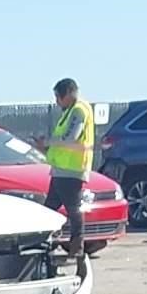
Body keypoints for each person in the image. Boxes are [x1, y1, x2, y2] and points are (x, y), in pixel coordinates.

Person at [45, 78, 95, 277]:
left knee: (73, 209)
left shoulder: (79, 110)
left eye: (58, 97)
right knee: (49, 208)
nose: (57, 102)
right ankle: (46, 242)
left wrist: (48, 142)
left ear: (68, 94)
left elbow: (71, 137)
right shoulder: (70, 110)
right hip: (61, 170)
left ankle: (77, 247)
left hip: (71, 170)